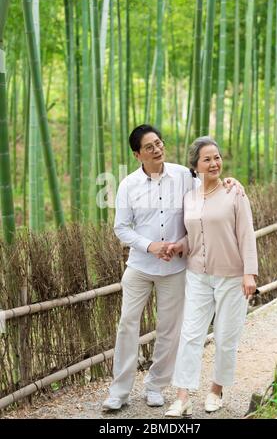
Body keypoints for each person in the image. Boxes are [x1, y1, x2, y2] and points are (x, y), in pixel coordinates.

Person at [102, 125, 242, 412]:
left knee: (169, 328)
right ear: (137, 154)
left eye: (159, 143)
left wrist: (229, 182)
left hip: (175, 267)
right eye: (149, 146)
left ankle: (156, 386)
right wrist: (149, 245)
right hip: (140, 266)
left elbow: (207, 200)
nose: (157, 149)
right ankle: (119, 391)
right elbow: (121, 228)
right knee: (127, 325)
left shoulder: (183, 175)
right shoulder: (128, 184)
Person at [164, 136, 258, 417]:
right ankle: (182, 397)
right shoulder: (189, 198)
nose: (214, 163)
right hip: (198, 275)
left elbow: (246, 234)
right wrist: (180, 245)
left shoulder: (234, 193)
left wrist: (249, 273)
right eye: (207, 159)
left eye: (216, 157)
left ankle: (216, 390)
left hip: (231, 276)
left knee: (226, 336)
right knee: (190, 334)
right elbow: (193, 236)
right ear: (195, 166)